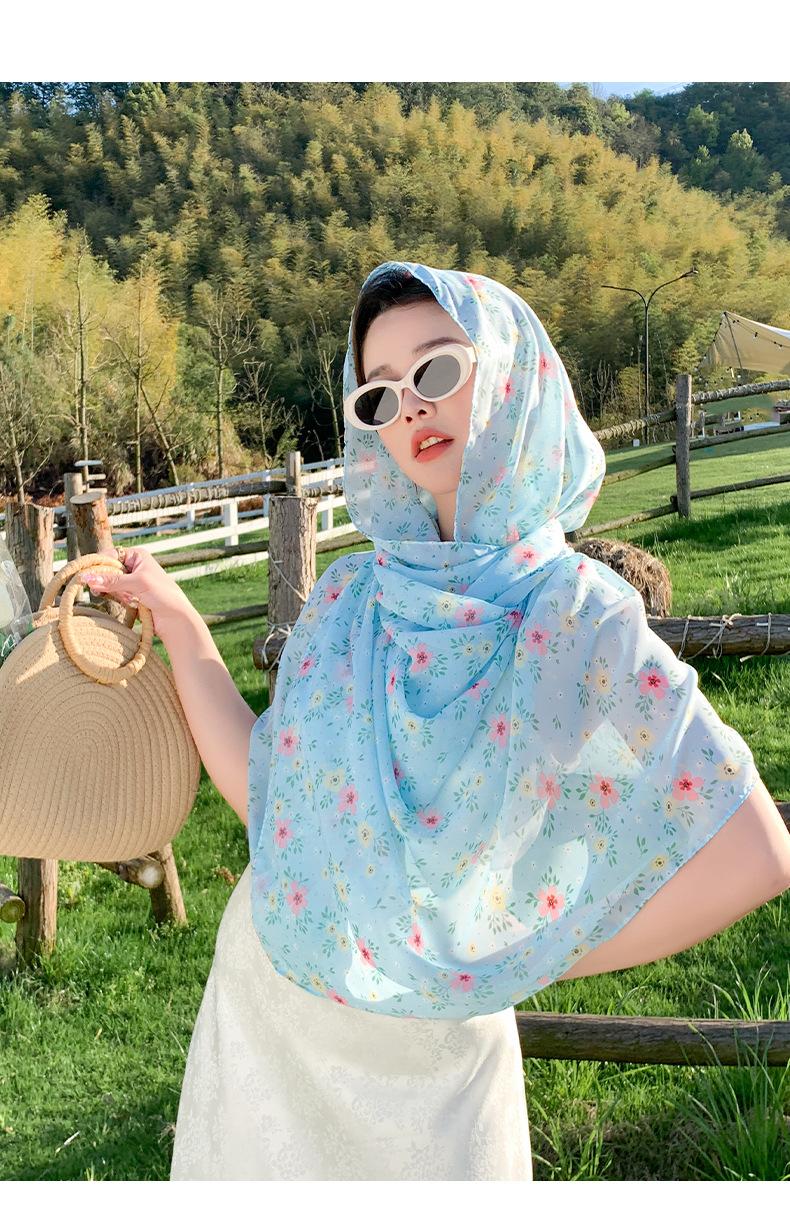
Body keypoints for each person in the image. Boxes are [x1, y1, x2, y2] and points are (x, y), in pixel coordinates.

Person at [80, 261, 790, 1180]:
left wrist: (502, 955)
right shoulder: (352, 601)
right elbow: (273, 801)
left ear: (511, 375)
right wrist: (180, 621)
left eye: (438, 369)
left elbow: (755, 855)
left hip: (434, 1075)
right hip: (262, 1024)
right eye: (377, 394)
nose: (409, 405)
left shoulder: (576, 616)